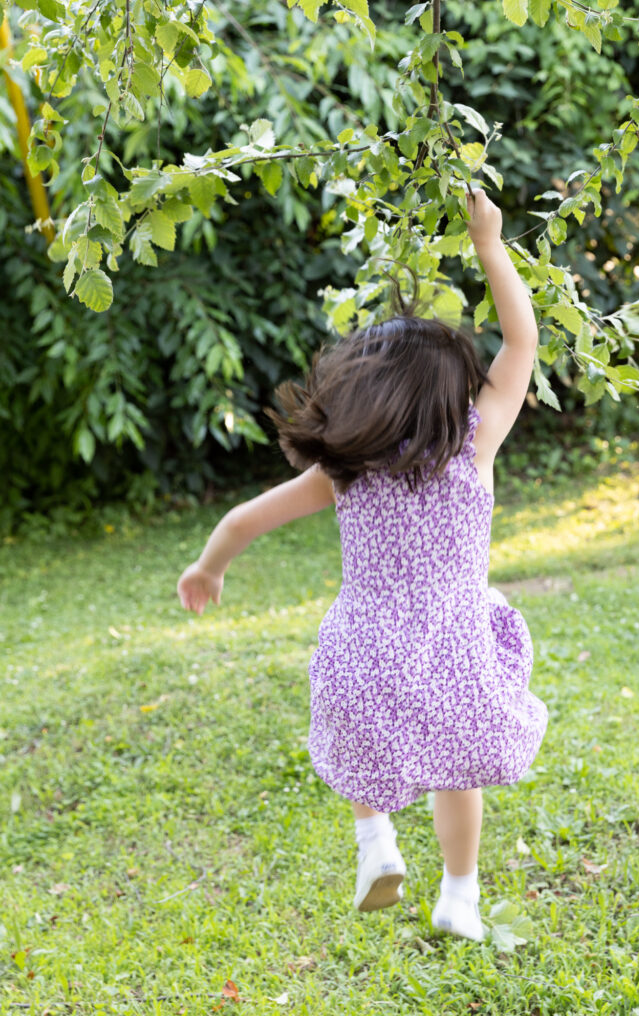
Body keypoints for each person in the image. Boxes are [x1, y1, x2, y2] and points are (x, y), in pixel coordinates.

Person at [177, 189, 549, 942]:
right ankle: (459, 895)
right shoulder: (471, 448)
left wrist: (208, 569)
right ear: (452, 394)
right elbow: (521, 344)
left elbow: (243, 519)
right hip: (453, 652)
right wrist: (489, 246)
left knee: (350, 731)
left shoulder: (346, 471)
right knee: (457, 770)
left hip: (365, 649)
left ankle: (373, 841)